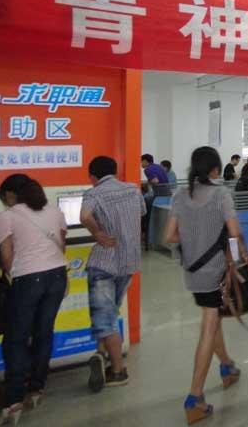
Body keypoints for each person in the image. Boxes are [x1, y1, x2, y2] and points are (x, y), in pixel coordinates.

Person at [164, 147, 243, 425]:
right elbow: (234, 233)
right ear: (215, 169)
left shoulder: (179, 195)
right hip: (215, 272)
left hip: (193, 272)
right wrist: (235, 260)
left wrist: (193, 239)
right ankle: (195, 397)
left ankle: (227, 366)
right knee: (209, 326)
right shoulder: (221, 194)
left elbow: (169, 236)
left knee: (212, 317)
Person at [0, 175, 67, 425]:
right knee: (43, 333)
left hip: (28, 280)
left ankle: (14, 401)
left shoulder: (7, 216)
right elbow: (62, 246)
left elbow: (7, 258)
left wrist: (17, 274)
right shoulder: (55, 211)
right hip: (57, 276)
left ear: (10, 194)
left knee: (15, 339)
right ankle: (36, 389)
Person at [80, 156, 146, 393]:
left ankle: (118, 370)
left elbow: (84, 216)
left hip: (104, 264)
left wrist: (97, 233)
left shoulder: (93, 193)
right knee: (109, 311)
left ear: (93, 176)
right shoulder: (133, 189)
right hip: (128, 263)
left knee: (104, 319)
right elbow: (141, 212)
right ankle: (101, 353)